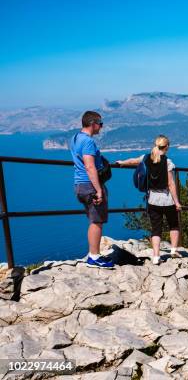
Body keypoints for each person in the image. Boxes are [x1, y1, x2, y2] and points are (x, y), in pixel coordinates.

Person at [117, 135, 182, 265]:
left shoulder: (145, 158)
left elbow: (133, 161)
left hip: (152, 199)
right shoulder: (168, 163)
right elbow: (171, 184)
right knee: (173, 224)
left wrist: (122, 162)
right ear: (167, 147)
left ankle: (156, 256)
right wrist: (177, 202)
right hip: (167, 199)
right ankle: (173, 250)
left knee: (156, 228)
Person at [70, 111, 114, 268]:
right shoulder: (88, 141)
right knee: (96, 222)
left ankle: (93, 254)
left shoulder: (75, 138)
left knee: (93, 220)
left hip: (79, 185)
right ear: (93, 123)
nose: (101, 127)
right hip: (90, 186)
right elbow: (89, 166)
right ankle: (94, 257)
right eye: (100, 124)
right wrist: (99, 190)